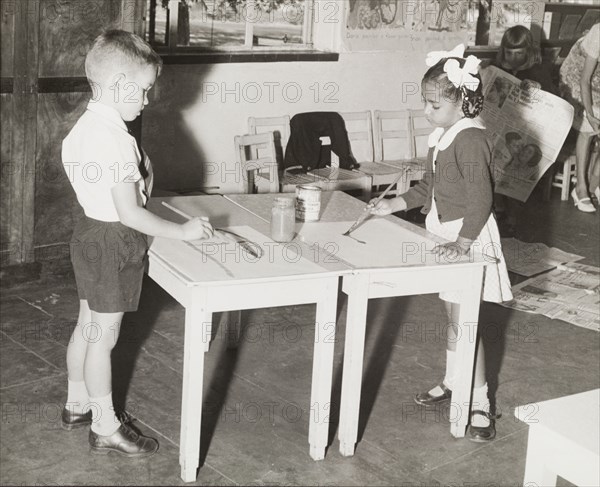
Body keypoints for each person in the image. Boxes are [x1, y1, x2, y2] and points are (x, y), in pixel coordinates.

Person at [61, 30, 214, 457]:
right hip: (113, 242)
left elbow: (117, 191)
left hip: (89, 233)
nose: (146, 101)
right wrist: (182, 231)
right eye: (143, 91)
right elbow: (131, 213)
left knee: (87, 325)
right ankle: (105, 425)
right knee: (104, 340)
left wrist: (140, 172)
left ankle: (77, 404)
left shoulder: (82, 129)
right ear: (118, 86)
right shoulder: (115, 141)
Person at [370, 45, 513, 442]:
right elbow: (429, 188)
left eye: (433, 104)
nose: (427, 112)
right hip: (448, 233)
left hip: (468, 237)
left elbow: (482, 199)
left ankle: (480, 400)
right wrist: (393, 204)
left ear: (462, 103)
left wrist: (464, 243)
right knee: (454, 318)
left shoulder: (470, 140)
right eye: (426, 103)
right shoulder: (442, 136)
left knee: (466, 324)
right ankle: (455, 380)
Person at [560, 22, 600, 212]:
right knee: (589, 128)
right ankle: (580, 188)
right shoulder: (599, 32)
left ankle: (594, 185)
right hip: (578, 76)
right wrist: (591, 115)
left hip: (598, 81)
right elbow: (585, 79)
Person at [494, 25, 558, 95]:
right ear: (503, 51)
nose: (513, 58)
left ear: (528, 52)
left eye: (519, 53)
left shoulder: (538, 71)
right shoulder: (499, 67)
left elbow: (553, 95)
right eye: (508, 53)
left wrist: (538, 86)